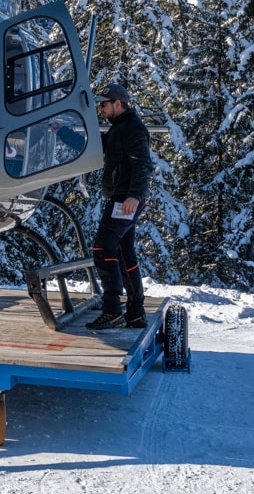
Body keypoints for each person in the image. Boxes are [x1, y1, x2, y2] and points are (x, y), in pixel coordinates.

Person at [86, 82, 154, 330]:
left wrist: (134, 196)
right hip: (124, 199)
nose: (100, 109)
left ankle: (112, 310)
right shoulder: (119, 129)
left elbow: (143, 164)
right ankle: (135, 313)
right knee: (125, 254)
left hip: (125, 200)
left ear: (118, 103)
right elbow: (95, 146)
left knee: (102, 250)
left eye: (103, 104)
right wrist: (61, 132)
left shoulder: (131, 128)